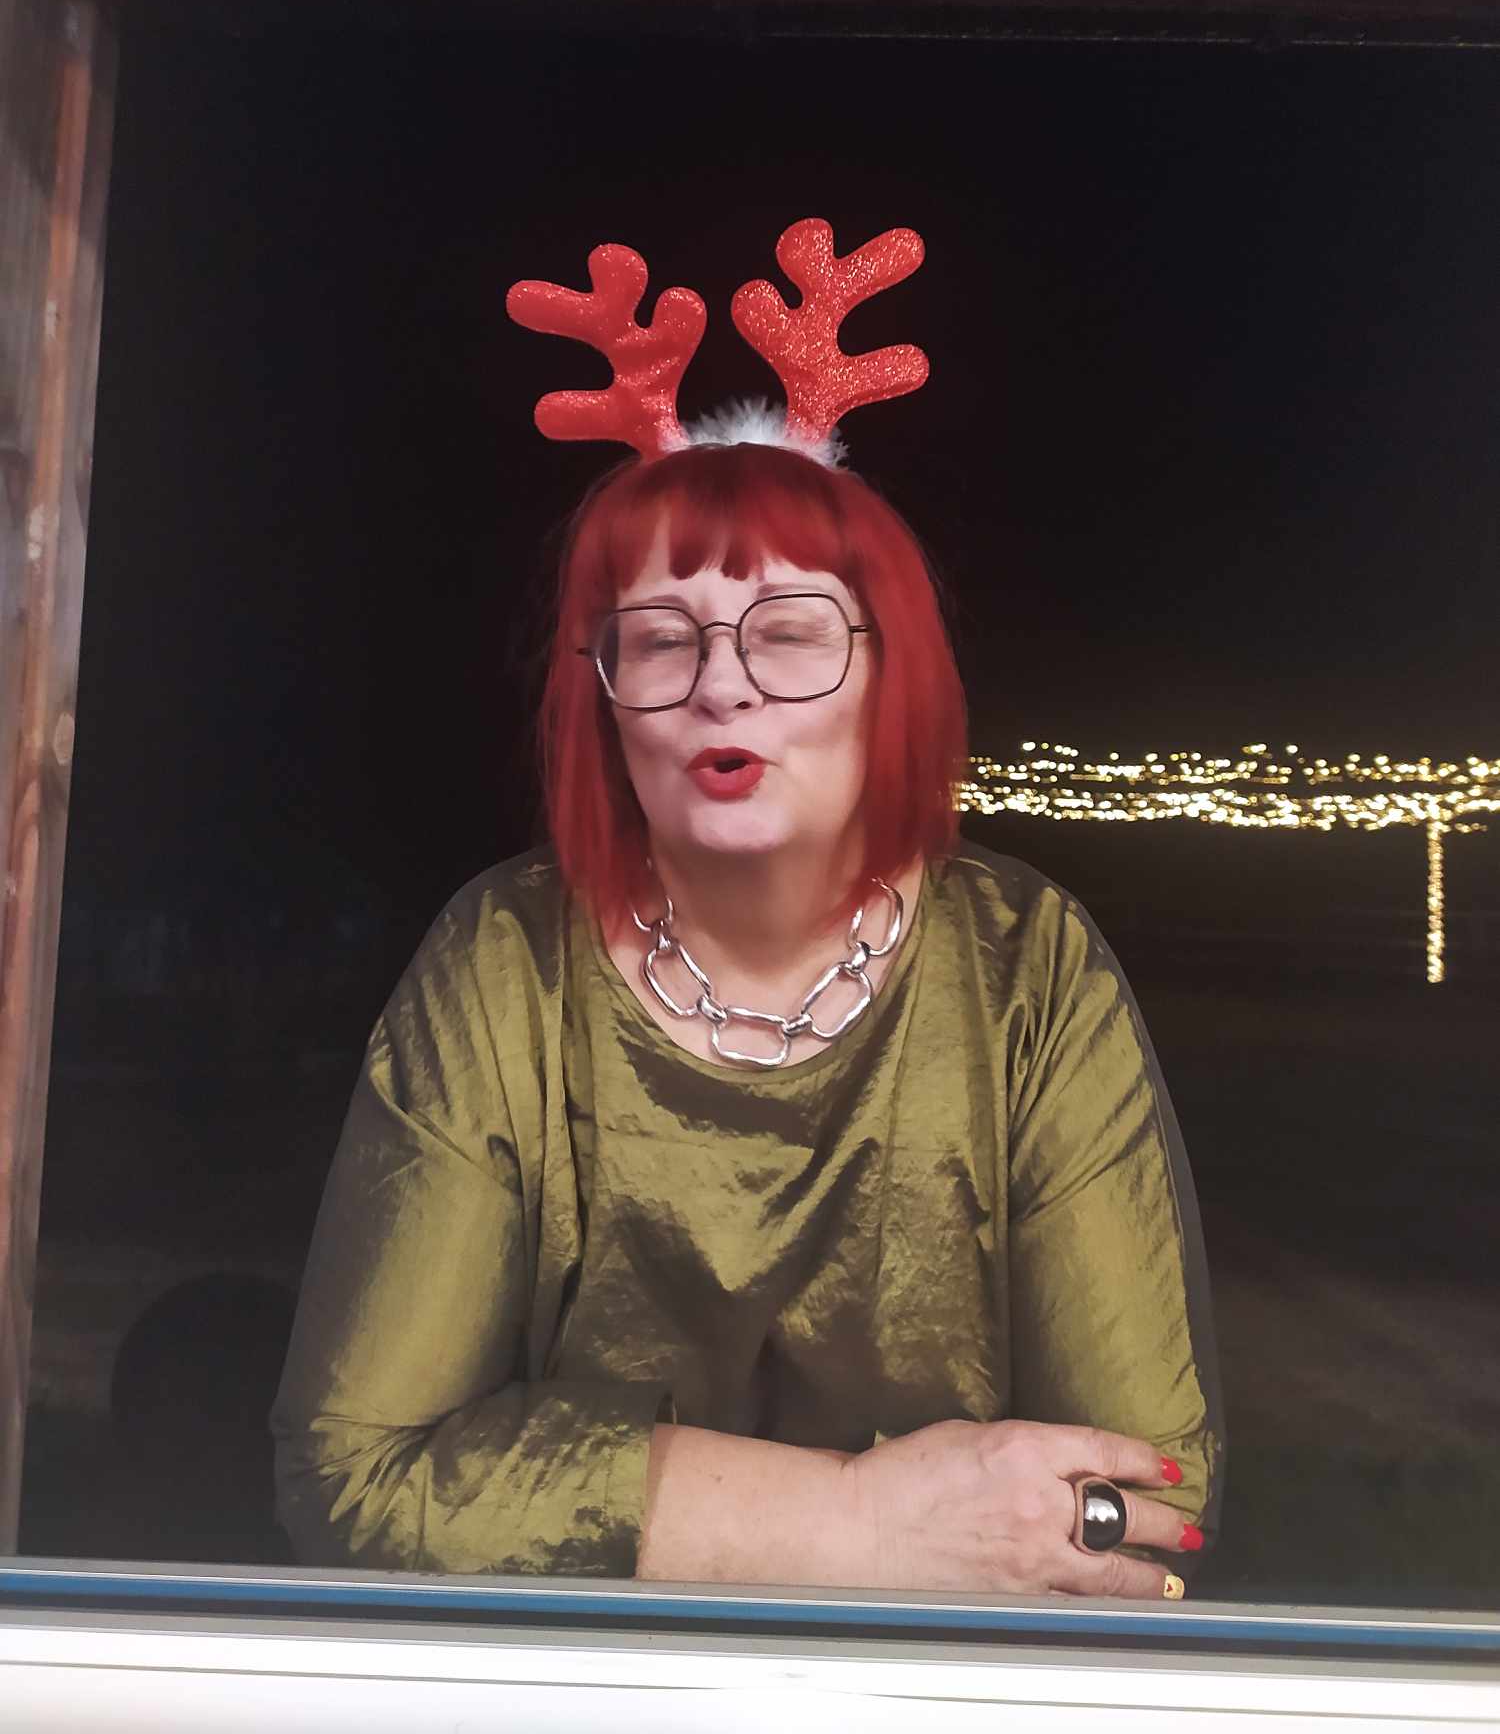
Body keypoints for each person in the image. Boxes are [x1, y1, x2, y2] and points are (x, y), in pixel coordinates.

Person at [271, 220, 1223, 1597]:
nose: (722, 686)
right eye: (661, 641)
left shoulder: (1029, 970)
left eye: (789, 633)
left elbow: (1143, 1501)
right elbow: (357, 1478)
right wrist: (864, 1526)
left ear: (892, 677)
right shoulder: (505, 960)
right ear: (604, 700)